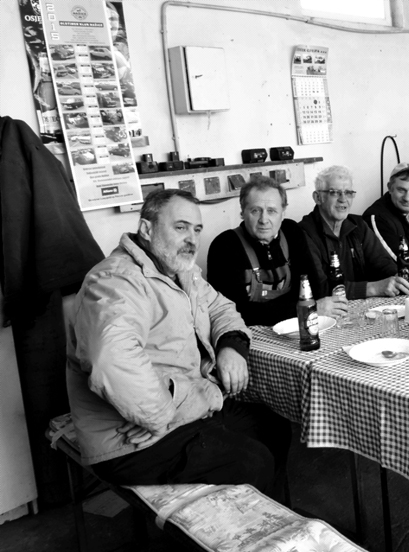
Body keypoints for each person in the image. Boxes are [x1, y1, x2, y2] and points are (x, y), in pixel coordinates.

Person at [66, 189, 291, 500]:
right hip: (129, 439)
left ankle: (280, 519)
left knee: (273, 427)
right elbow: (111, 360)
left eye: (196, 229)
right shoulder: (116, 281)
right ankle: (252, 528)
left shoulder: (182, 272)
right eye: (180, 227)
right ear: (146, 229)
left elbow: (223, 309)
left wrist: (231, 346)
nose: (192, 239)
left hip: (179, 408)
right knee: (252, 462)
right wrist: (163, 417)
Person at [207, 176, 346, 326]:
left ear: (283, 212)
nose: (264, 220)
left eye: (272, 211)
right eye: (255, 211)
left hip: (296, 326)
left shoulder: (292, 232)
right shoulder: (225, 246)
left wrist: (298, 309)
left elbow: (313, 289)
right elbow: (235, 313)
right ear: (242, 212)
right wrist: (306, 308)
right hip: (250, 332)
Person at [300, 165, 409, 298]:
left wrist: (397, 279)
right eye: (334, 192)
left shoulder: (358, 225)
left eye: (348, 193)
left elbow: (383, 264)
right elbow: (318, 287)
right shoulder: (304, 233)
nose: (343, 199)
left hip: (365, 306)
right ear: (318, 198)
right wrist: (372, 288)